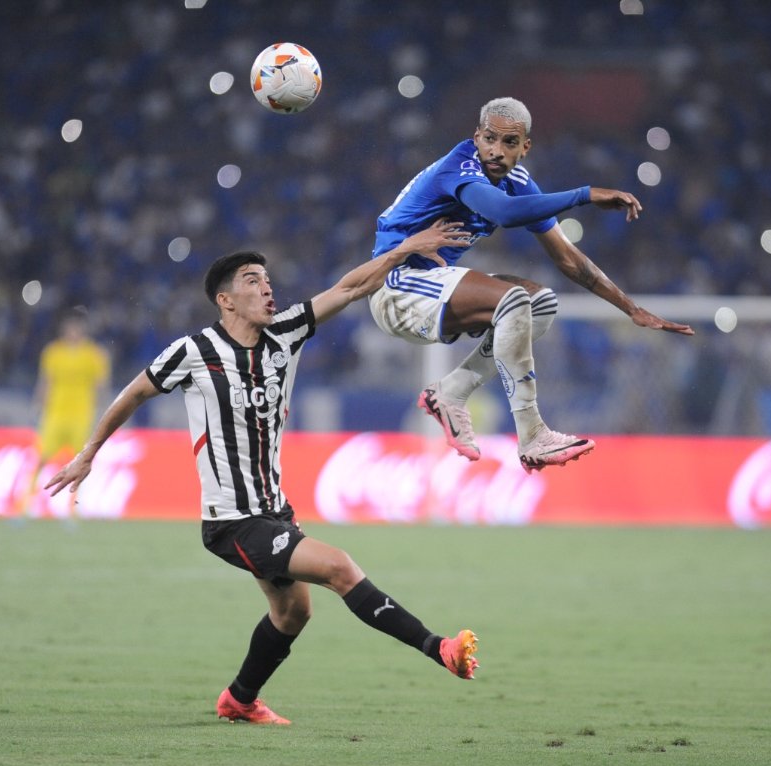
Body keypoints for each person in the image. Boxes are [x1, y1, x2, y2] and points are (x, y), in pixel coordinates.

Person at [45, 220, 477, 725]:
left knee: (294, 612)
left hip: (274, 511)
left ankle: (239, 700)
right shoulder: (194, 352)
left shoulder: (286, 334)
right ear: (226, 300)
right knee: (339, 567)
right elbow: (135, 391)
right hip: (232, 520)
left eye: (268, 279)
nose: (268, 288)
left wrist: (406, 249)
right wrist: (89, 452)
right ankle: (439, 648)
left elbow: (350, 288)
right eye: (253, 280)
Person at [370, 97, 695, 473]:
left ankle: (450, 393)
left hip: (430, 287)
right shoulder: (460, 166)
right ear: (476, 138)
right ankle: (533, 434)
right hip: (396, 287)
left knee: (540, 303)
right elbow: (504, 213)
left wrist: (631, 309)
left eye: (509, 142)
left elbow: (568, 258)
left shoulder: (517, 182)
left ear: (525, 147)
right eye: (489, 138)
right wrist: (584, 195)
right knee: (512, 300)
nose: (496, 150)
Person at [25, 306, 110, 515]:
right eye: (70, 327)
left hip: (81, 416)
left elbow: (101, 386)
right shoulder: (53, 352)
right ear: (63, 329)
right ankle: (25, 507)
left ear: (83, 329)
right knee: (40, 459)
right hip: (55, 415)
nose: (73, 331)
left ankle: (74, 511)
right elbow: (45, 382)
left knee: (80, 464)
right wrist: (38, 406)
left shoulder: (95, 354)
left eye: (77, 327)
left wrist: (104, 413)